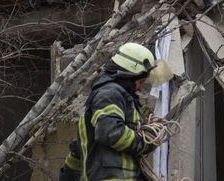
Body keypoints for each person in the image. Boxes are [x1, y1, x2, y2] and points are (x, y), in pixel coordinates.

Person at [59, 43, 159, 181]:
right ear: (129, 75)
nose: (140, 88)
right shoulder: (109, 94)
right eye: (140, 81)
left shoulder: (107, 98)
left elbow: (81, 147)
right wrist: (145, 142)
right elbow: (111, 133)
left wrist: (67, 176)